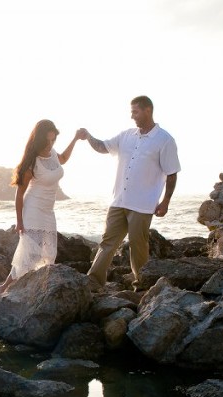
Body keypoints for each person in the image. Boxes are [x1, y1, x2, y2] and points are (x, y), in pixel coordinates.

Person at [80, 95, 180, 291]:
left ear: (147, 110)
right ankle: (93, 282)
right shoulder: (126, 135)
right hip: (119, 200)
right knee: (107, 242)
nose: (132, 115)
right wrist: (88, 136)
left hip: (143, 203)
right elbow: (102, 147)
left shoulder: (165, 140)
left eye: (135, 111)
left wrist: (165, 201)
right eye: (131, 111)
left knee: (138, 246)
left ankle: (141, 286)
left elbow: (172, 174)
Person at [0, 120, 82, 294]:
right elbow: (19, 194)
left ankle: (31, 288)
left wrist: (75, 139)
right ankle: (5, 288)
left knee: (48, 252)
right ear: (39, 139)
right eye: (47, 141)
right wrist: (19, 222)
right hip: (33, 208)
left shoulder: (52, 153)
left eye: (53, 140)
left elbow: (64, 159)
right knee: (29, 253)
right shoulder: (32, 163)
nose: (50, 145)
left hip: (48, 211)